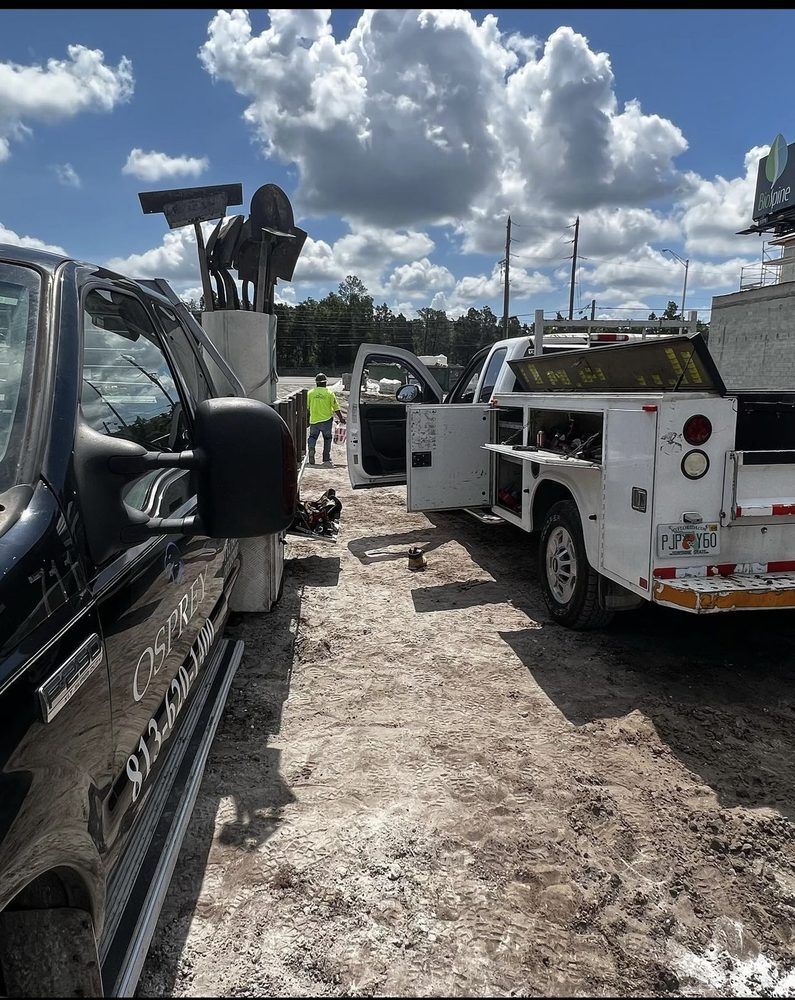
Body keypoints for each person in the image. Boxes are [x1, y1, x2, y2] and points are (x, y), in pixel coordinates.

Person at [307, 372, 345, 465]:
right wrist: (341, 418)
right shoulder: (329, 393)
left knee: (312, 437)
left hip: (314, 420)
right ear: (325, 383)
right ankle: (326, 459)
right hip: (326, 420)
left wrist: (307, 419)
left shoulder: (310, 393)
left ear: (316, 383)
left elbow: (307, 407)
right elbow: (336, 407)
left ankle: (311, 451)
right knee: (327, 439)